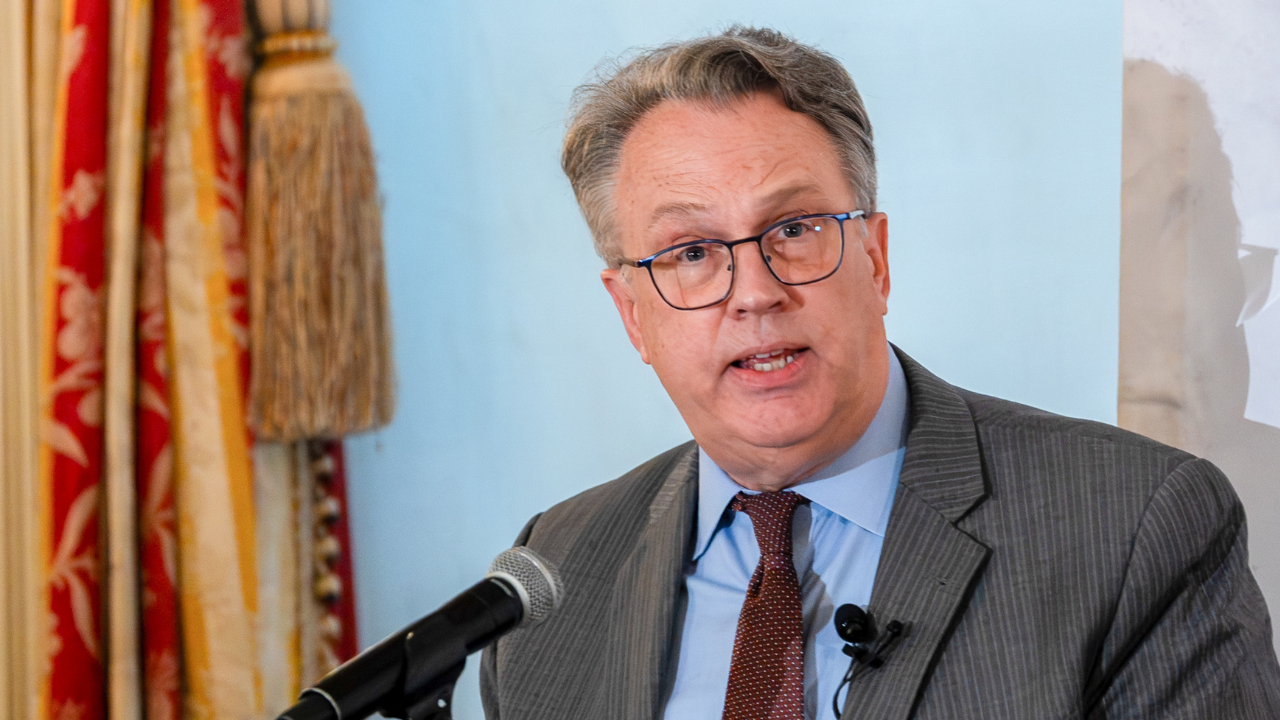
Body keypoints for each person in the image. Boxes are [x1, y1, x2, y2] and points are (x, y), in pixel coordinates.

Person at [479, 26, 1280, 720]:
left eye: (795, 229)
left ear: (875, 258)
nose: (755, 292)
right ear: (631, 315)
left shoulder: (1134, 528)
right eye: (691, 253)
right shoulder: (555, 572)